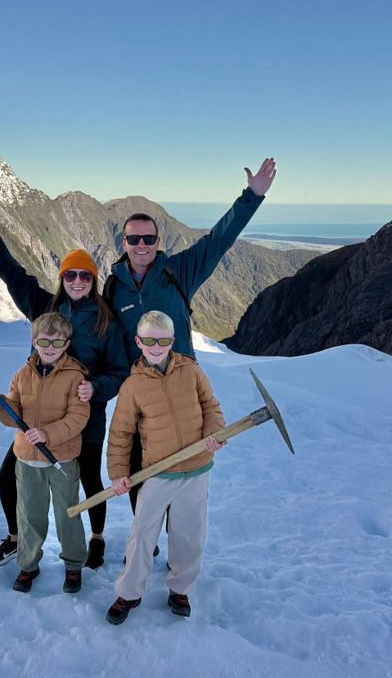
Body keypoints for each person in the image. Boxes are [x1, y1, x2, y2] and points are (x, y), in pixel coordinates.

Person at [102, 157, 275, 516]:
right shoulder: (111, 288)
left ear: (157, 240)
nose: (141, 245)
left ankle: (177, 543)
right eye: (134, 239)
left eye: (148, 238)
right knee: (137, 467)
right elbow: (104, 337)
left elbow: (219, 239)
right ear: (123, 241)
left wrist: (252, 196)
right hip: (140, 391)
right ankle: (144, 539)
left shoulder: (179, 271)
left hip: (182, 386)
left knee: (183, 470)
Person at [0, 198, 129, 571]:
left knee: (90, 479)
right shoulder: (44, 306)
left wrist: (98, 389)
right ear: (62, 278)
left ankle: (95, 538)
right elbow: (13, 274)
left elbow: (120, 370)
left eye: (85, 276)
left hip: (83, 419)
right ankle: (15, 538)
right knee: (6, 477)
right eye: (71, 275)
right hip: (36, 419)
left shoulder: (105, 322)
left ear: (93, 281)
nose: (78, 281)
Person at [103, 310, 226, 624]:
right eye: (148, 340)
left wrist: (215, 432)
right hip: (158, 471)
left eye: (162, 340)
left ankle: (180, 588)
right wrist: (118, 474)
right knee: (142, 533)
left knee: (189, 533)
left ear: (172, 341)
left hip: (197, 468)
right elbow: (120, 433)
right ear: (138, 342)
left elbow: (211, 406)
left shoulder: (191, 371)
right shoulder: (133, 386)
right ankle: (129, 592)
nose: (155, 346)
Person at [0, 312, 90, 594]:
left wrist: (47, 434)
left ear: (67, 344)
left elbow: (78, 418)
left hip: (63, 460)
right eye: (44, 341)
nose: (50, 347)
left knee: (68, 513)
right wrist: (0, 405)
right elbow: (14, 415)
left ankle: (73, 565)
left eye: (57, 342)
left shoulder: (75, 376)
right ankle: (28, 565)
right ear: (34, 342)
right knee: (30, 515)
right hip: (27, 459)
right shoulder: (22, 375)